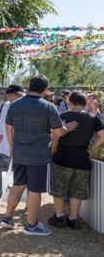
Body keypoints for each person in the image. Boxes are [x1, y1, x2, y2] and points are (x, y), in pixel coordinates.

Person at [0, 75, 78, 236]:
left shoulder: (14, 105)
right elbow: (58, 131)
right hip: (39, 155)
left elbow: (9, 127)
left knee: (18, 185)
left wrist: (12, 147)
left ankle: (7, 218)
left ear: (29, 87)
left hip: (19, 152)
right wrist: (66, 128)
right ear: (44, 89)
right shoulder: (48, 107)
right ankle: (31, 226)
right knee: (35, 190)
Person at [48, 91, 104, 230]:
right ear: (85, 103)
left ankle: (60, 217)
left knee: (59, 188)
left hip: (62, 157)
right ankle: (74, 219)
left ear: (69, 102)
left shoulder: (62, 116)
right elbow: (102, 135)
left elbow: (54, 135)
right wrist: (92, 149)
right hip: (82, 158)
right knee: (76, 191)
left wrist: (53, 149)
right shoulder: (93, 118)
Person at [0, 84, 24, 209]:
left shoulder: (7, 106)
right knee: (22, 176)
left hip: (8, 148)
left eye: (9, 95)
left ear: (15, 94)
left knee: (1, 173)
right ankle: (26, 203)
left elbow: (1, 129)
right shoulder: (29, 105)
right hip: (24, 149)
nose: (7, 97)